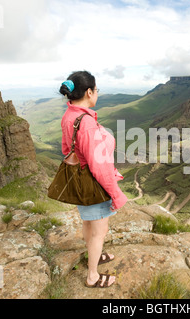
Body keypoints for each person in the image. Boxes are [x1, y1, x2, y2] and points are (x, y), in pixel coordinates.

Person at [59, 71, 128, 288]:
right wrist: (116, 195)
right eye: (96, 90)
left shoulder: (69, 115)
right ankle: (92, 276)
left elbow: (66, 149)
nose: (97, 93)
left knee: (88, 222)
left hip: (79, 180)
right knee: (100, 231)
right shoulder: (86, 122)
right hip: (93, 184)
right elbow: (99, 166)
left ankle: (93, 255)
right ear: (89, 92)